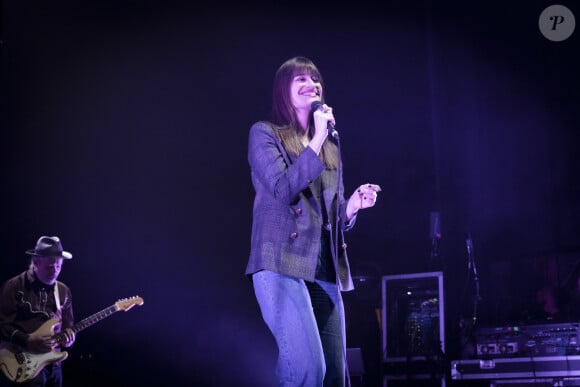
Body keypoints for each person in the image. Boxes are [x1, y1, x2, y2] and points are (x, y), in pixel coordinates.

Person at [246, 56, 382, 387]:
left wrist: (352, 206)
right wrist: (318, 138)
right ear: (284, 91)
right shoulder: (265, 133)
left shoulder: (330, 145)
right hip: (280, 263)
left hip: (323, 268)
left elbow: (331, 214)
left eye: (315, 79)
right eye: (301, 80)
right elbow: (282, 190)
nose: (312, 85)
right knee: (308, 369)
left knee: (336, 375)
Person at [0, 236, 76, 387]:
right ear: (35, 262)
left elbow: (69, 327)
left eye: (58, 266)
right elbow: (2, 325)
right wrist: (27, 340)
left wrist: (69, 339)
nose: (55, 271)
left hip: (54, 366)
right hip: (22, 364)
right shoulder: (15, 286)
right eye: (49, 266)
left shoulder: (63, 291)